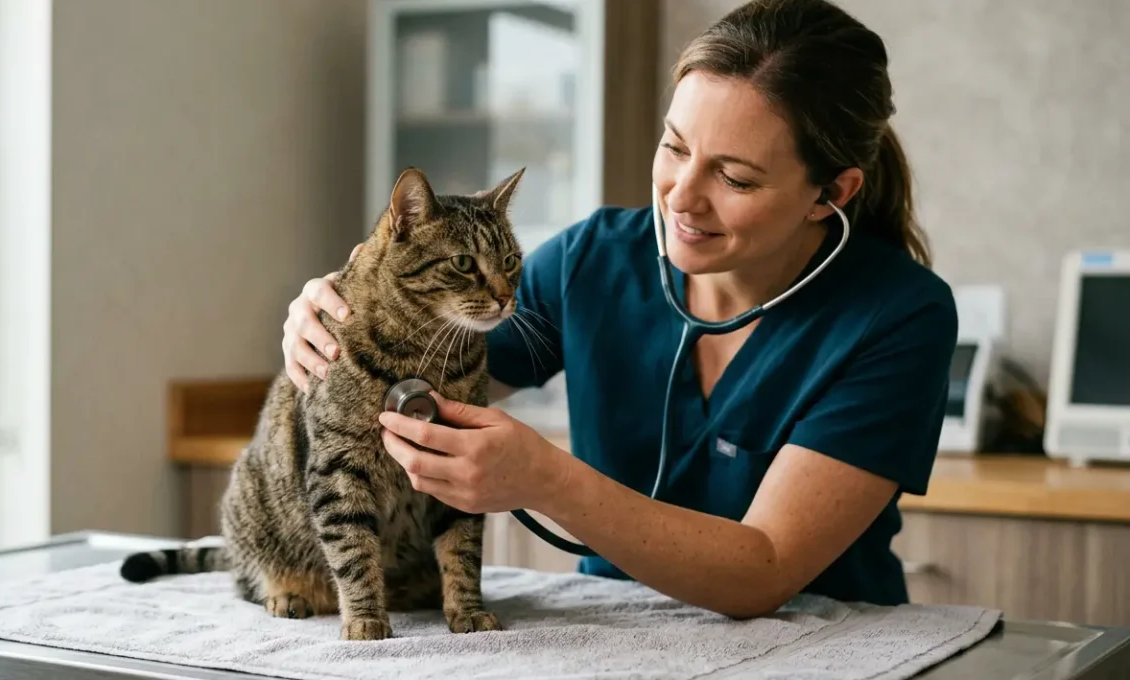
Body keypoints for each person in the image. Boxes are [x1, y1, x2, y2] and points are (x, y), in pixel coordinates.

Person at [280, 0, 957, 619]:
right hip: (621, 636)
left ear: (829, 192)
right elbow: (408, 377)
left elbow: (766, 569)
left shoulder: (899, 317)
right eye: (675, 147)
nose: (680, 196)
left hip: (828, 645)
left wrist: (547, 479)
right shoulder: (590, 262)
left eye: (735, 177)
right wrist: (337, 313)